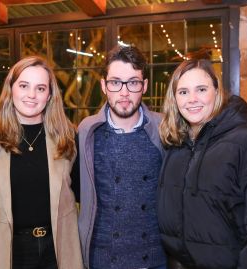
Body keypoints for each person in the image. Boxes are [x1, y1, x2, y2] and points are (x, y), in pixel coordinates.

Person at [157, 59, 247, 269]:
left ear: (217, 91)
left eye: (201, 89)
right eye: (183, 92)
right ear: (174, 99)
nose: (192, 99)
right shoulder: (175, 146)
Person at [0, 56, 83, 269]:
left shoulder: (68, 139)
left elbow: (85, 195)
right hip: (9, 251)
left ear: (49, 95)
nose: (31, 95)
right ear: (11, 89)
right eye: (24, 85)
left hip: (57, 249)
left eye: (40, 88)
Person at [78, 45, 167, 269]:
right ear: (104, 86)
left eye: (133, 82)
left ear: (144, 85)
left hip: (153, 258)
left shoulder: (164, 128)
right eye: (116, 82)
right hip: (102, 259)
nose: (124, 92)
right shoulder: (87, 131)